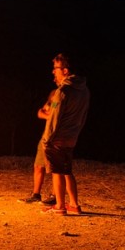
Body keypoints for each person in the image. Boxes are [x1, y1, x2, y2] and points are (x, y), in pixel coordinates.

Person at [39, 53, 90, 216]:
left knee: (57, 172)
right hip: (71, 137)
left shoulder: (63, 91)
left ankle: (60, 206)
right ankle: (74, 204)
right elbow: (83, 116)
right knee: (67, 171)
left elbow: (54, 118)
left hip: (57, 138)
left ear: (65, 70)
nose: (53, 72)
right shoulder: (84, 91)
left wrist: (47, 139)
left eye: (56, 68)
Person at [17, 93, 56, 205]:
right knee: (38, 165)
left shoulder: (63, 95)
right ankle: (36, 195)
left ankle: (54, 196)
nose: (54, 75)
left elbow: (55, 116)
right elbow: (40, 112)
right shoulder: (53, 96)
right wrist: (48, 115)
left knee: (55, 168)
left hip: (56, 137)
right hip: (45, 137)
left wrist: (49, 114)